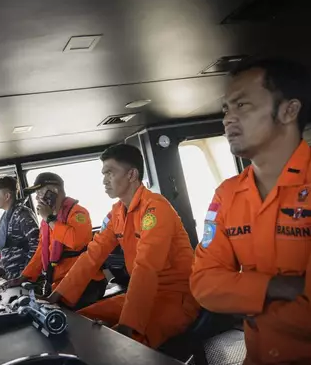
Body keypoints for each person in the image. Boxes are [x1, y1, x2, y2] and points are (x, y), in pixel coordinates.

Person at [190, 58, 311, 365]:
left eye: (242, 105)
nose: (229, 118)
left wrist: (247, 301)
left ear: (288, 111)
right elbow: (203, 283)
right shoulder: (227, 194)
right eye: (226, 108)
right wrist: (277, 286)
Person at [46, 144, 200, 348]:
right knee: (78, 325)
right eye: (103, 173)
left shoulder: (155, 209)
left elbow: (146, 267)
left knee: (126, 345)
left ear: (131, 175)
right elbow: (93, 255)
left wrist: (128, 325)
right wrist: (55, 298)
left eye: (110, 172)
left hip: (176, 298)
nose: (104, 180)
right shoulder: (117, 213)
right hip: (141, 295)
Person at [0, 172, 107, 309]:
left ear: (54, 191)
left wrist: (50, 219)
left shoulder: (78, 213)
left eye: (40, 192)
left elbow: (76, 242)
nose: (37, 198)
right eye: (36, 194)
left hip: (85, 283)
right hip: (58, 284)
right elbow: (42, 251)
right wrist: (23, 277)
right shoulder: (47, 220)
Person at [0, 176, 39, 282]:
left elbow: (37, 246)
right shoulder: (7, 216)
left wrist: (24, 275)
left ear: (7, 196)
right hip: (11, 278)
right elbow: (6, 247)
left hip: (24, 280)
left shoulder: (22, 214)